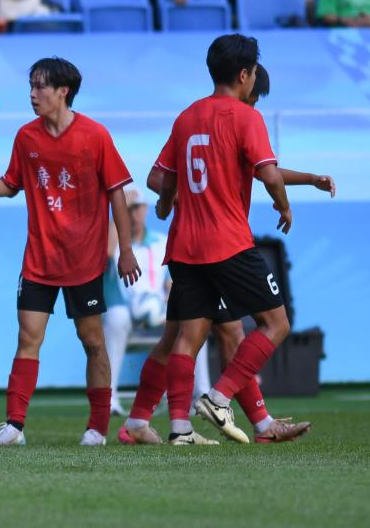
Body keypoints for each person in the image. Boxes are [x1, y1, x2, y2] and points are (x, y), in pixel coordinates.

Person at [120, 62, 325, 446]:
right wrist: (285, 206)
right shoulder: (242, 119)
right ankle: (222, 402)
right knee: (270, 324)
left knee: (191, 335)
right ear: (244, 78)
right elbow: (267, 174)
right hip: (225, 244)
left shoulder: (190, 117)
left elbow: (165, 177)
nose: (255, 104)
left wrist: (310, 179)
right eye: (256, 97)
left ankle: (175, 427)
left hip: (186, 245)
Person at [0, 57, 142, 447]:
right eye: (31, 85)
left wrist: (125, 250)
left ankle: (97, 428)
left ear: (63, 91)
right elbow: (10, 185)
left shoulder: (95, 135)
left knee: (92, 341)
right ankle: (14, 426)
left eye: (40, 86)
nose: (32, 94)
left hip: (84, 262)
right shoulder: (27, 137)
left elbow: (117, 194)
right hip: (39, 261)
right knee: (28, 338)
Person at [101, 186, 204, 417]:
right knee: (117, 318)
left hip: (159, 310)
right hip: (125, 311)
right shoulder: (116, 242)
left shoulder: (161, 241)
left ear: (145, 209)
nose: (133, 214)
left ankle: (201, 396)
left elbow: (171, 282)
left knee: (196, 318)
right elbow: (107, 252)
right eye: (127, 210)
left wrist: (170, 301)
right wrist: (116, 213)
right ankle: (109, 398)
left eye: (136, 208)